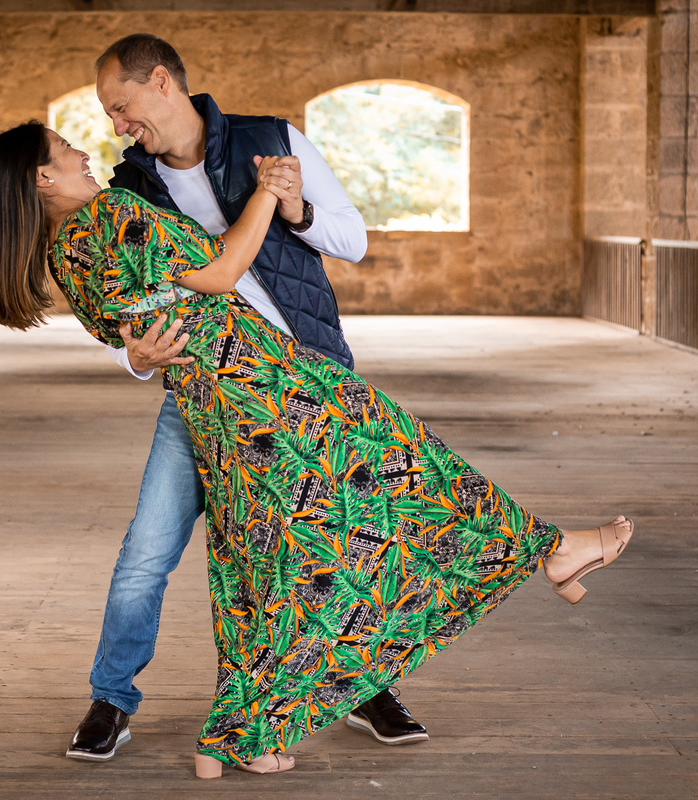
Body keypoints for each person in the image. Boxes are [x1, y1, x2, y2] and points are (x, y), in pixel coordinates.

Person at [0, 119, 635, 777]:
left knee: (253, 567)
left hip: (214, 408)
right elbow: (225, 267)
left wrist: (141, 351)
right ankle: (552, 550)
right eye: (66, 149)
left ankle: (236, 737)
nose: (86, 150)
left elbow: (133, 327)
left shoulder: (64, 255)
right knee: (412, 471)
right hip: (271, 386)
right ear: (42, 175)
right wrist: (265, 191)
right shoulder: (117, 209)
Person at [64, 33, 429, 761]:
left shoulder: (272, 140)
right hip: (202, 397)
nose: (117, 126)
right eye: (109, 116)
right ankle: (111, 701)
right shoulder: (128, 189)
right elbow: (126, 302)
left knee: (341, 541)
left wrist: (295, 212)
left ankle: (364, 687)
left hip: (306, 380)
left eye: (121, 106)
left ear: (161, 82)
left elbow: (351, 239)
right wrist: (135, 359)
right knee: (149, 550)